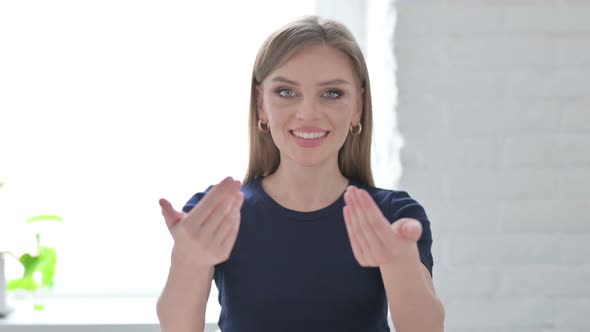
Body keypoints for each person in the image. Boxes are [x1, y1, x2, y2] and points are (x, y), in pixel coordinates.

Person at [156, 15, 445, 332]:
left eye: (332, 93)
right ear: (261, 105)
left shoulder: (394, 216)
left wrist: (397, 262)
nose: (308, 113)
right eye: (286, 92)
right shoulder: (216, 214)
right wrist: (190, 262)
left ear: (359, 106)